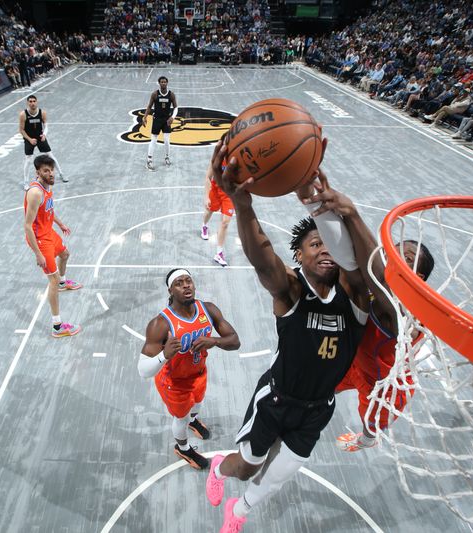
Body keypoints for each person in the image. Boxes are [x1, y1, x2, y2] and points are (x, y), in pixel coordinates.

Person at [204, 138, 370, 532]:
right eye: (315, 244)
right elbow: (263, 260)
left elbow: (364, 263)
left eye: (328, 242)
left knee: (278, 478)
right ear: (299, 256)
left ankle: (238, 512)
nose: (324, 250)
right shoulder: (292, 291)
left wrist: (345, 213)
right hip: (276, 399)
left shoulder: (357, 295)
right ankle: (218, 466)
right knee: (247, 469)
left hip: (319, 408)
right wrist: (242, 206)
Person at [303, 173, 435, 452]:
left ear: (419, 277)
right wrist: (307, 192)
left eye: (407, 258)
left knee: (369, 423)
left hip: (385, 385)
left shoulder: (407, 311)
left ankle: (367, 439)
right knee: (321, 385)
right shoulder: (376, 283)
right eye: (394, 252)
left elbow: (377, 275)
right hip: (355, 362)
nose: (395, 258)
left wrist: (351, 214)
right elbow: (355, 260)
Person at [138, 269, 240, 469]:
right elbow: (143, 371)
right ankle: (183, 448)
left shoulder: (208, 309)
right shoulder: (160, 324)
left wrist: (214, 340)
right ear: (170, 290)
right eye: (179, 283)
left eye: (188, 281)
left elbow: (235, 341)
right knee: (180, 417)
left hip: (198, 373)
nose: (186, 285)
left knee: (198, 404)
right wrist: (164, 355)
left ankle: (194, 421)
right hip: (174, 382)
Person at [23, 154, 83, 338]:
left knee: (65, 255)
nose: (50, 174)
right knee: (53, 280)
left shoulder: (47, 187)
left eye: (51, 170)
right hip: (40, 240)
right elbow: (27, 226)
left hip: (48, 232)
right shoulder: (35, 193)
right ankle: (57, 327)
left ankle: (64, 283)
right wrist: (38, 254)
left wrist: (60, 223)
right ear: (38, 172)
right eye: (46, 171)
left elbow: (48, 209)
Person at [19, 94, 67, 190]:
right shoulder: (23, 114)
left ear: (36, 102)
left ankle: (61, 174)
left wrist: (44, 134)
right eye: (30, 101)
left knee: (51, 156)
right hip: (29, 138)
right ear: (27, 103)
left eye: (34, 101)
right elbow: (21, 130)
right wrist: (29, 139)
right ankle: (26, 182)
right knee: (28, 160)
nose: (32, 103)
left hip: (40, 137)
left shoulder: (42, 113)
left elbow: (46, 125)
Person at [201, 159, 234, 267]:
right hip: (215, 189)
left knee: (225, 223)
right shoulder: (218, 157)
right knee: (209, 211)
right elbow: (208, 177)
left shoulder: (239, 156)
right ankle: (204, 225)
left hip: (229, 193)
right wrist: (206, 197)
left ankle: (219, 253)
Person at [142, 76, 178, 171]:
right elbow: (149, 106)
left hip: (166, 120)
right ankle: (149, 160)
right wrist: (145, 117)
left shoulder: (171, 95)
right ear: (159, 83)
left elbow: (176, 108)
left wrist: (172, 117)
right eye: (161, 82)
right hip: (157, 119)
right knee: (153, 140)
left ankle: (167, 157)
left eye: (165, 82)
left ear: (167, 83)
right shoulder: (154, 94)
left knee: (166, 140)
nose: (163, 83)